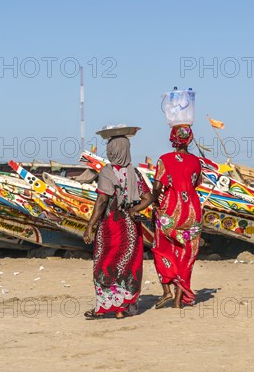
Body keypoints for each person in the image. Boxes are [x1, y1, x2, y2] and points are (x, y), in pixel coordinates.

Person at [83, 135, 154, 319]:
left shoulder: (107, 172)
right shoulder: (135, 173)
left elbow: (102, 200)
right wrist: (134, 210)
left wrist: (90, 225)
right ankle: (122, 308)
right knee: (127, 265)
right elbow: (148, 198)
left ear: (112, 150)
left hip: (110, 226)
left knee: (105, 264)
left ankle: (105, 306)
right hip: (130, 228)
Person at [151, 124, 202, 309]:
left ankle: (167, 291)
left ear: (173, 138)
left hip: (171, 210)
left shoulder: (165, 159)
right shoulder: (196, 161)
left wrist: (155, 202)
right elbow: (194, 184)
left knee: (161, 248)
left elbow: (157, 188)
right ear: (189, 139)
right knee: (186, 253)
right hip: (193, 211)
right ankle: (178, 302)